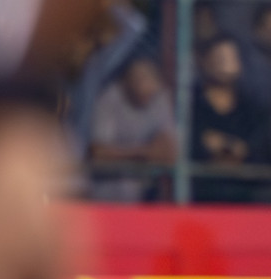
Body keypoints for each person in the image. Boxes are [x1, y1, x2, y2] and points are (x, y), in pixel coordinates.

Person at [88, 56, 176, 202]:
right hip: (106, 196)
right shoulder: (109, 99)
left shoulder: (160, 98)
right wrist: (145, 152)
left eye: (148, 78)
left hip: (146, 199)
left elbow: (169, 153)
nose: (143, 85)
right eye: (138, 79)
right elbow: (98, 153)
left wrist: (120, 153)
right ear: (125, 81)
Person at [191, 34, 262, 204]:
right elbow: (194, 147)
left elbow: (252, 151)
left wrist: (225, 145)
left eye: (230, 57)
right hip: (199, 195)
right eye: (219, 57)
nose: (224, 64)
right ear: (204, 61)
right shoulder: (190, 106)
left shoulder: (251, 109)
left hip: (246, 197)